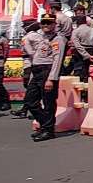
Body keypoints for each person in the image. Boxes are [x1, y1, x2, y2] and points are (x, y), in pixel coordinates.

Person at [20, 13, 65, 142]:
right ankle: (46, 125)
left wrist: (51, 78)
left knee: (48, 102)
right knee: (30, 101)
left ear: (54, 24)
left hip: (47, 71)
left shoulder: (57, 39)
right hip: (37, 71)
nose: (46, 25)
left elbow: (57, 60)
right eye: (43, 22)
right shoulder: (40, 37)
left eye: (49, 23)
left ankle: (48, 130)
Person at [69, 6, 93, 83]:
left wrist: (86, 56)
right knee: (91, 74)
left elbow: (77, 46)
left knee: (80, 75)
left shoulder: (75, 31)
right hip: (92, 52)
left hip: (80, 55)